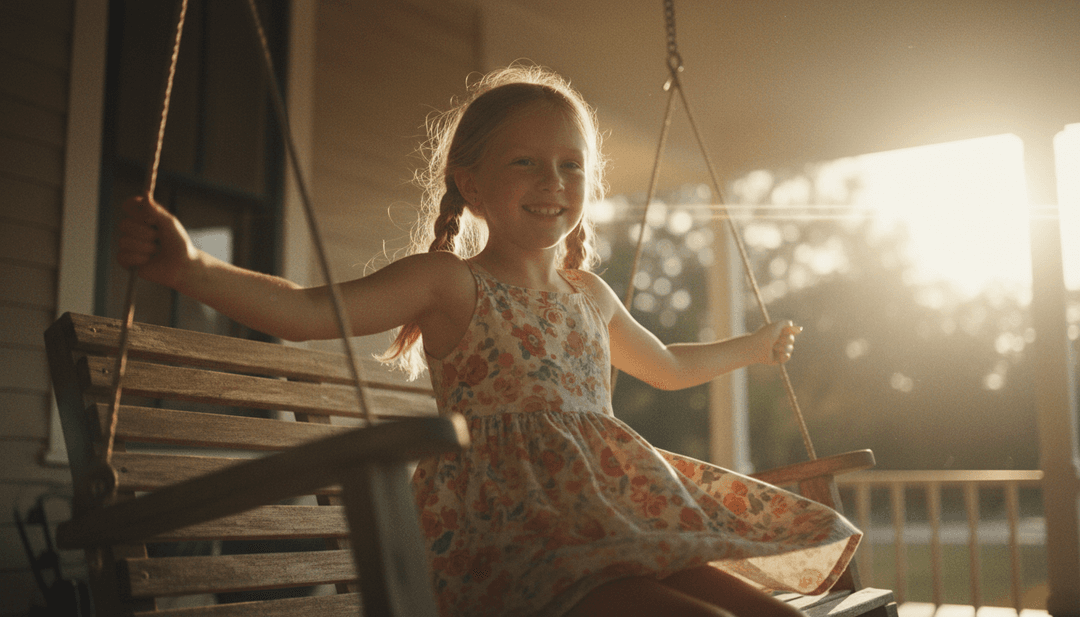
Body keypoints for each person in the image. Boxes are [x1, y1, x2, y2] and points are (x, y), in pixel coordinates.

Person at [118, 65, 860, 617]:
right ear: (469, 184)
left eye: (571, 165)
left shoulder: (589, 295)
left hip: (614, 527)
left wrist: (752, 346)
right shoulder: (449, 283)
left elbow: (665, 366)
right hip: (515, 550)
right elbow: (308, 312)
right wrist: (192, 267)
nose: (553, 181)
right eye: (525, 162)